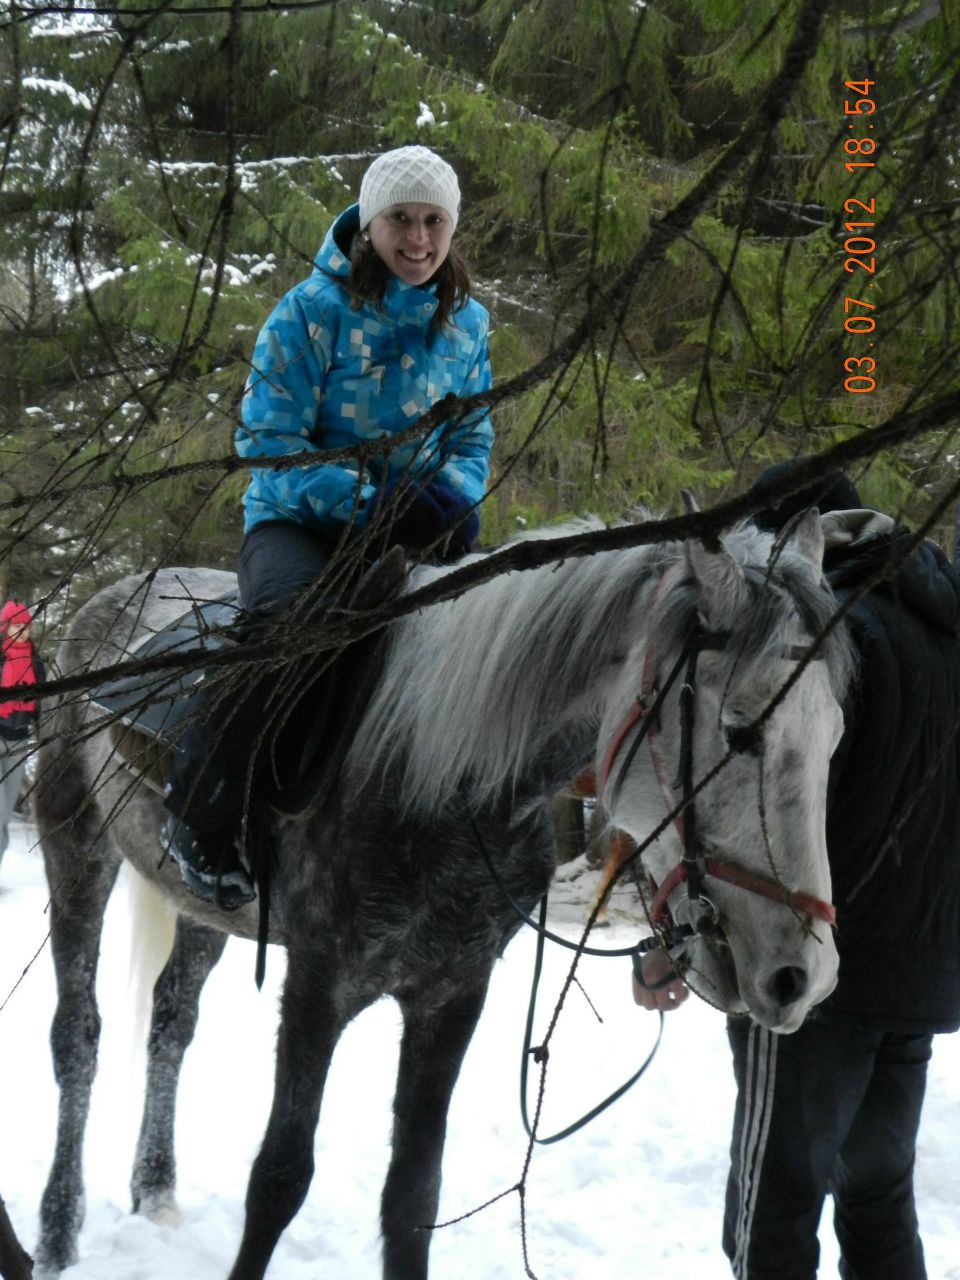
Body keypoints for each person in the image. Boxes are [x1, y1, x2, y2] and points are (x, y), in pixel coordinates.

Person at [632, 465, 960, 1280]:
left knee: (771, 1217)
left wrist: (673, 941)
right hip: (919, 983)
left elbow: (766, 817)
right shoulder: (944, 618)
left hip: (812, 980)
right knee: (879, 1205)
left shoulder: (817, 638)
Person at [162, 144, 493, 910]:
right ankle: (198, 813)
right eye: (400, 221)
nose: (418, 240)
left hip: (412, 527)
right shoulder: (309, 312)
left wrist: (451, 499)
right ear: (368, 225)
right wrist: (370, 501)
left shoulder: (469, 323)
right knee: (285, 629)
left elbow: (473, 436)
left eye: (433, 221)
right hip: (297, 523)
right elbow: (268, 444)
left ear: (452, 227)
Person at [0, 601, 45, 869]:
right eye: (16, 625)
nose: (21, 631)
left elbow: (42, 703)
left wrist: (44, 737)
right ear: (5, 628)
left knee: (4, 814)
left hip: (18, 743)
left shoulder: (36, 663)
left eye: (25, 626)